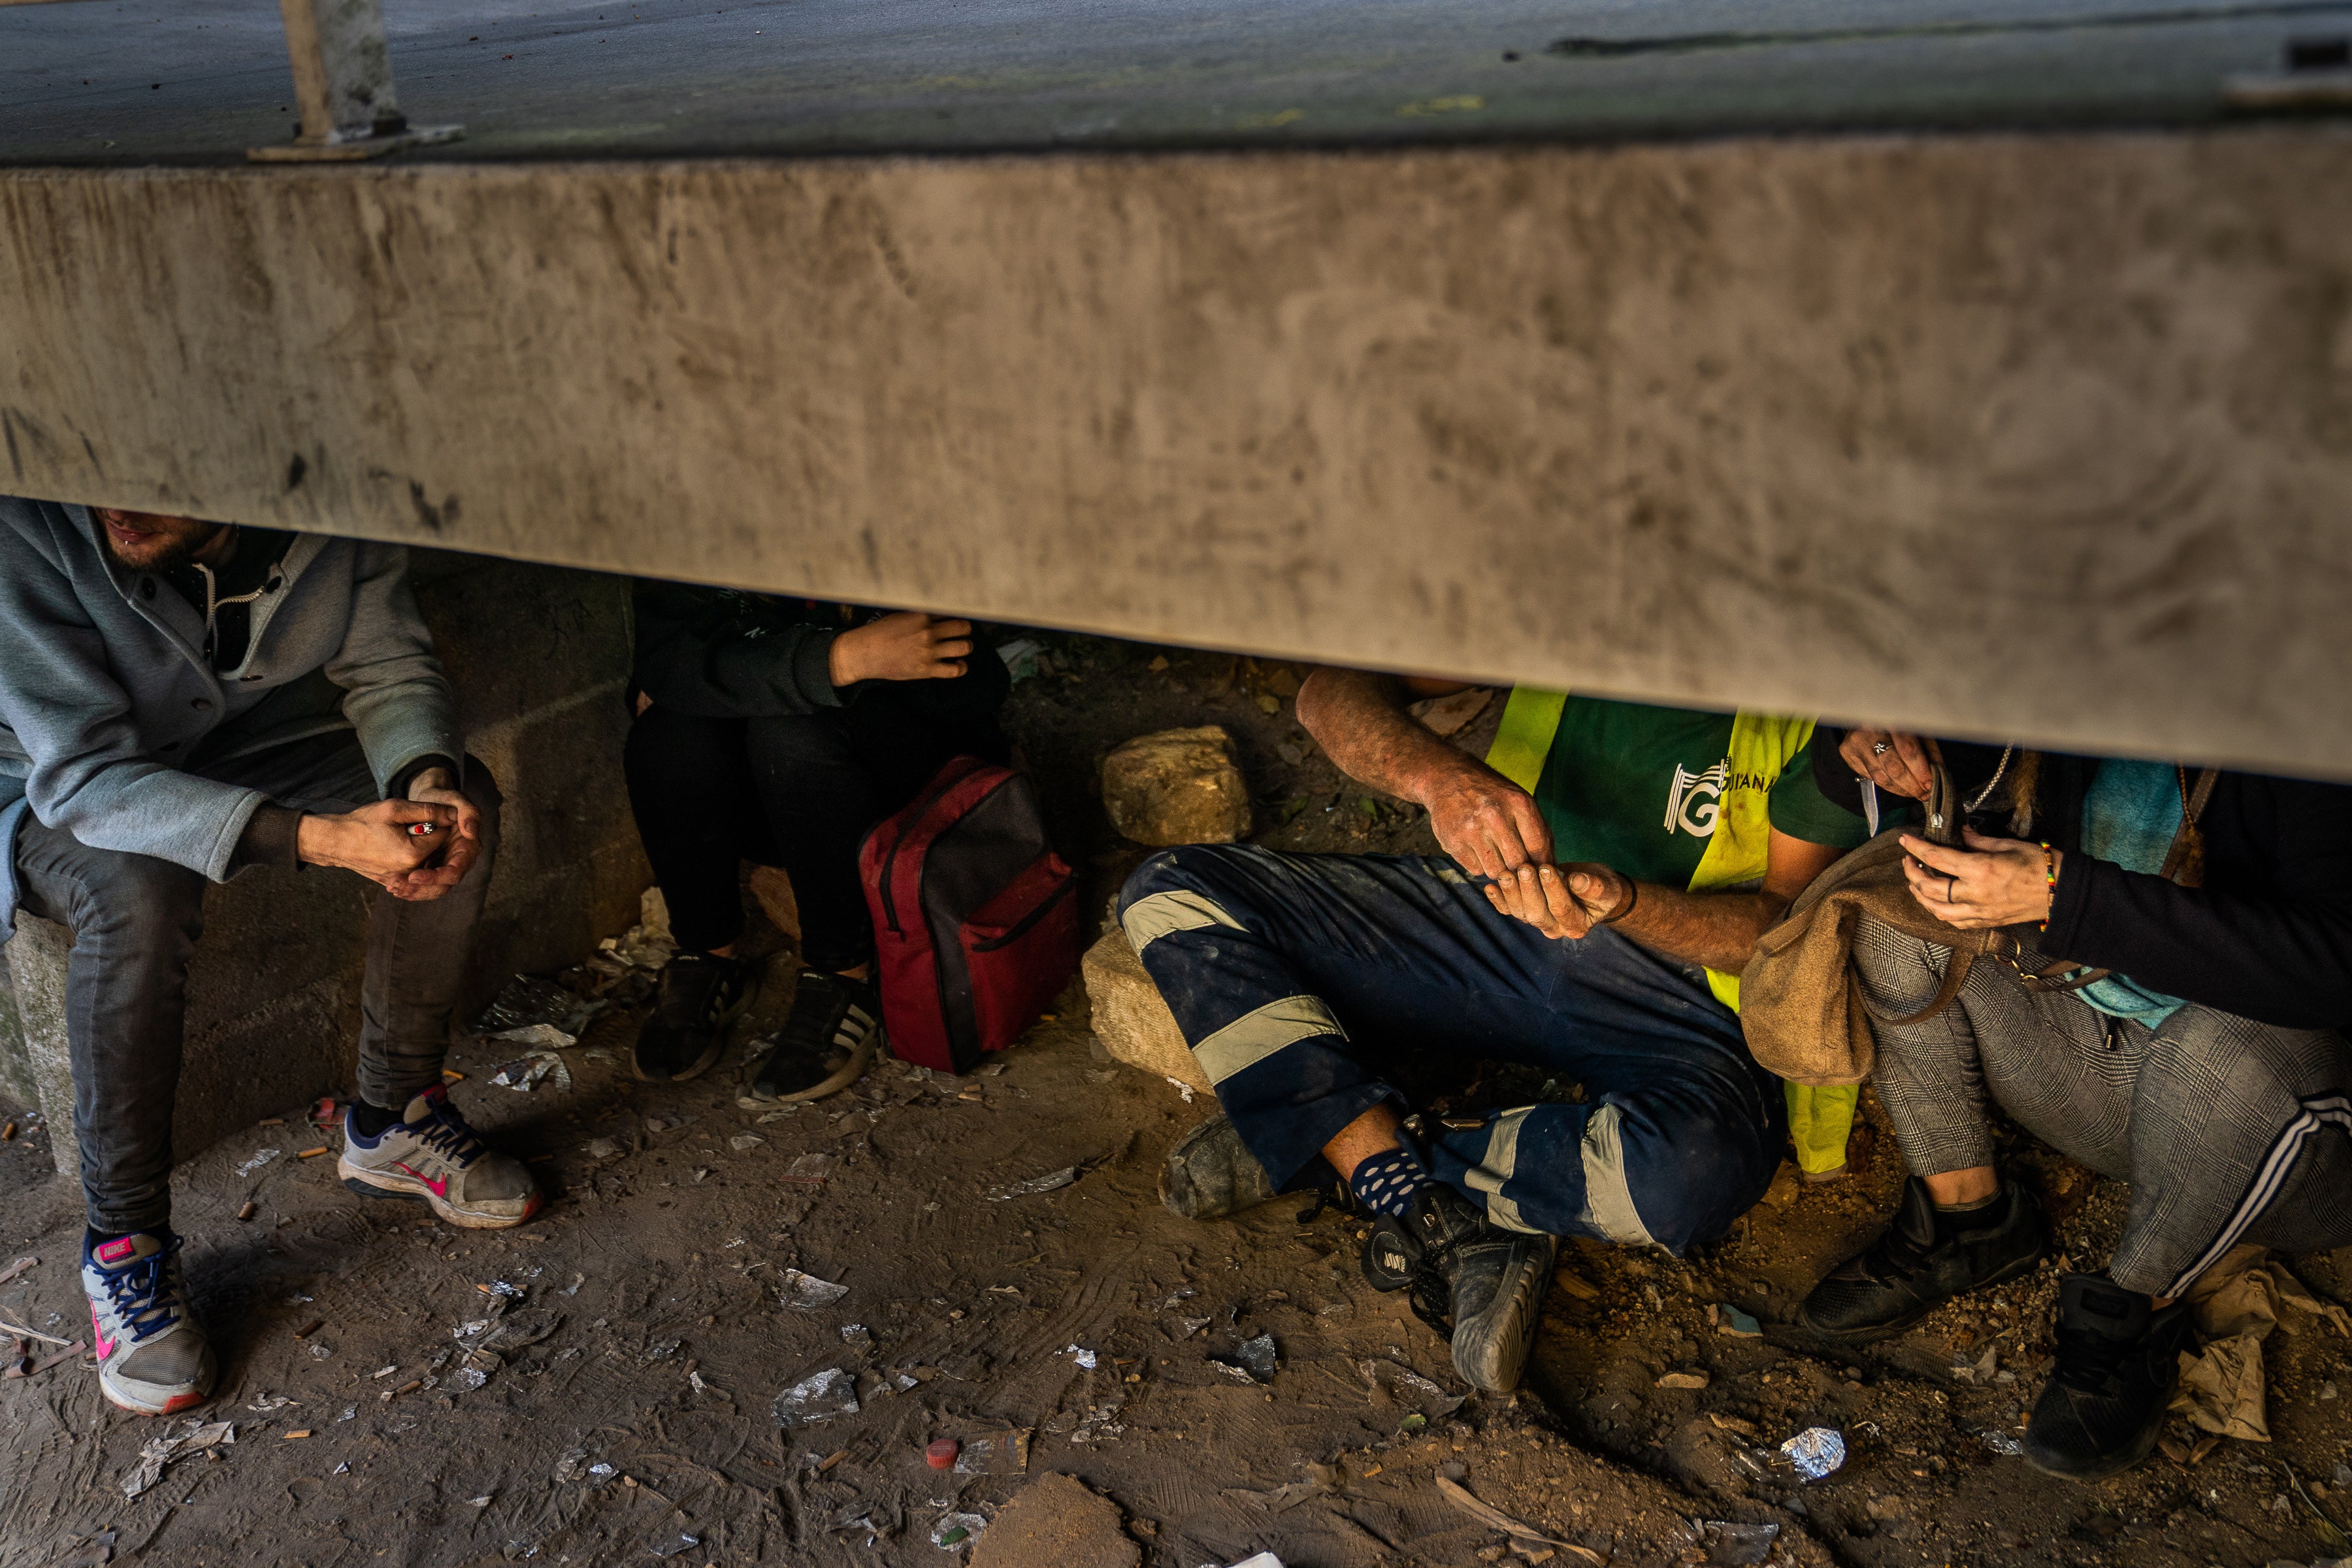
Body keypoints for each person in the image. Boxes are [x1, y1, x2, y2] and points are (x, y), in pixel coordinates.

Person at [1119, 674, 1872, 1391]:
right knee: (1173, 895)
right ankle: (1417, 1191)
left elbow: (1779, 929)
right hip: (1492, 927)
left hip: (1679, 991)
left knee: (1689, 1179)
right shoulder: (1567, 601)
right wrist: (1439, 779)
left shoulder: (1815, 699)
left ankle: (1333, 1138)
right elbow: (1329, 696)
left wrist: (1628, 903)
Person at [0, 498, 539, 1418]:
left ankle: (393, 1117)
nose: (121, 496)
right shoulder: (25, 522)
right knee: (140, 892)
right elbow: (87, 778)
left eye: (160, 468)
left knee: (456, 809)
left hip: (223, 745)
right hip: (46, 782)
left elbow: (388, 664)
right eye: (101, 468)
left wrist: (426, 781)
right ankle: (123, 1245)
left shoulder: (322, 493)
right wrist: (324, 839)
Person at [1799, 728, 2352, 1480]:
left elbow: (2333, 968)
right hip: (2110, 1072)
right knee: (1894, 915)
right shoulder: (2066, 668)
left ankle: (2133, 1318)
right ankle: (1969, 1221)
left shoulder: (2315, 712)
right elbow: (1851, 782)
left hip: (2285, 1128)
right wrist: (1866, 746)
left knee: (2220, 1047)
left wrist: (2065, 895)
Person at [622, 582, 1009, 1100]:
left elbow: (968, 685)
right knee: (669, 732)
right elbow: (666, 664)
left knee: (793, 733)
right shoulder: (698, 521)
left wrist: (749, 674)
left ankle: (843, 972)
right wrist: (842, 659)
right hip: (775, 799)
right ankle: (708, 952)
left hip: (888, 793)